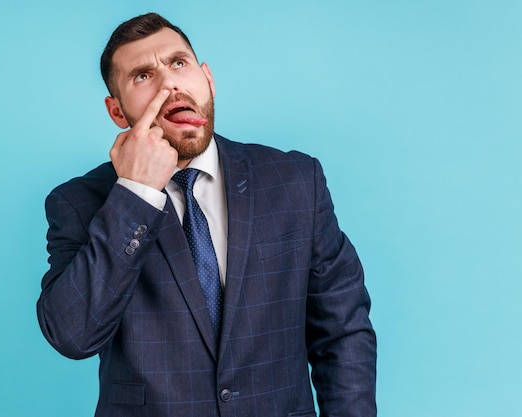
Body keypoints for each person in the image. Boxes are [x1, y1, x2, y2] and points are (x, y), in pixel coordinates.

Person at [37, 12, 376, 417]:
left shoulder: (296, 182)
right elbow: (73, 335)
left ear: (208, 80)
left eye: (179, 63)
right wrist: (136, 194)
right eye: (143, 76)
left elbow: (343, 332)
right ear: (117, 112)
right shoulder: (78, 202)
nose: (169, 83)